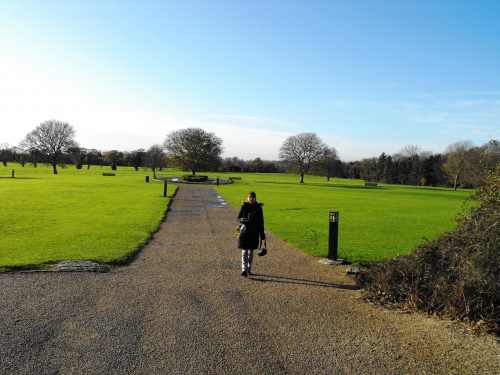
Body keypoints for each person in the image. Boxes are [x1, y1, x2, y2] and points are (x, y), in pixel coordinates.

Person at [237, 191, 265, 277]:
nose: (251, 199)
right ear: (247, 198)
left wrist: (262, 234)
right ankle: (244, 269)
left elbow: (261, 222)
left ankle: (249, 268)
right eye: (250, 197)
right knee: (244, 250)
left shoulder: (258, 208)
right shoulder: (244, 206)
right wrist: (242, 220)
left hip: (254, 232)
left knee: (251, 252)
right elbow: (238, 218)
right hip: (245, 231)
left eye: (252, 197)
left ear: (255, 198)